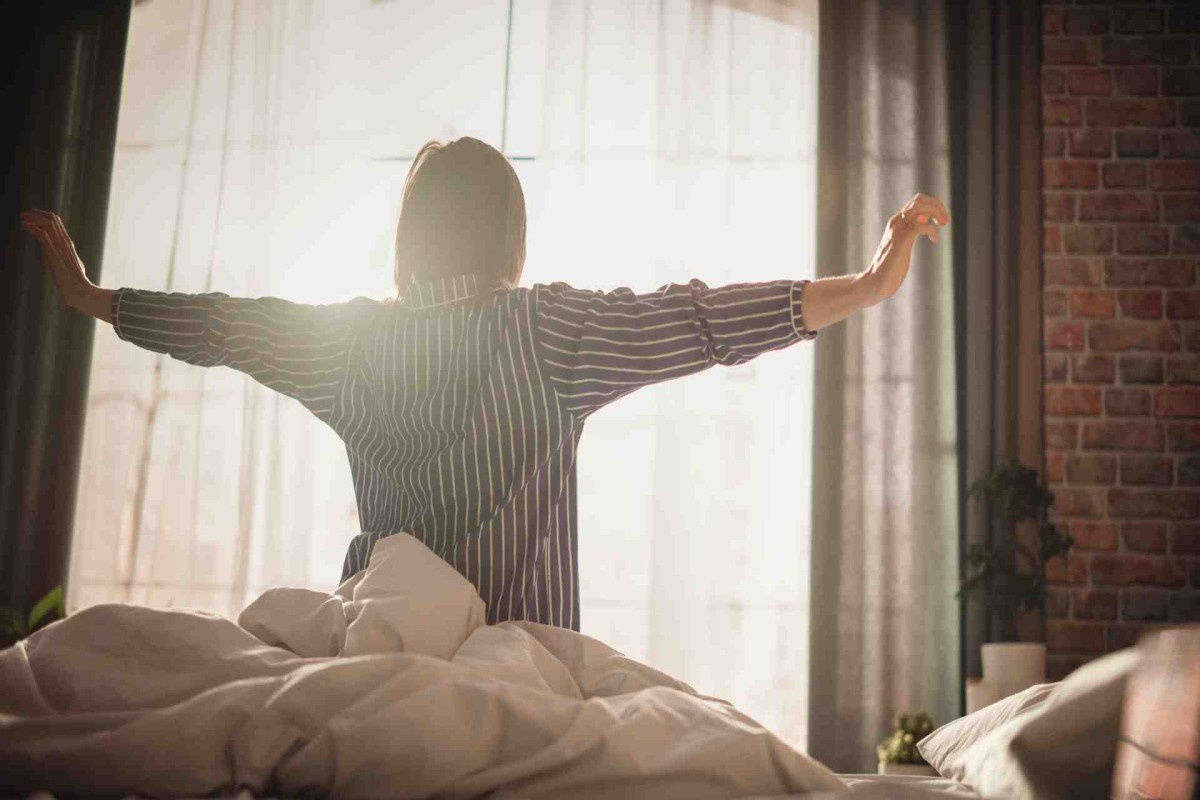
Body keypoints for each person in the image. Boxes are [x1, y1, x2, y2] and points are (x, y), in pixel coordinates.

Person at [21, 136, 949, 631]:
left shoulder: (351, 345)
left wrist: (95, 299)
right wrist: (866, 285)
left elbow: (226, 326)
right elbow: (698, 320)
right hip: (522, 670)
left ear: (408, 239)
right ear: (510, 236)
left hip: (371, 672)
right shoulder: (547, 330)